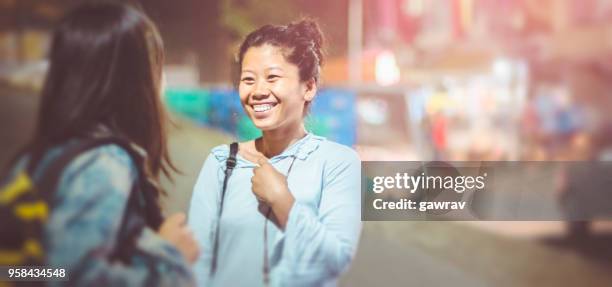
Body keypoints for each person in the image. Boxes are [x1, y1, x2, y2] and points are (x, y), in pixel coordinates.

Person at [1, 2, 198, 286]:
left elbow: (17, 271)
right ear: (135, 80)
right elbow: (74, 277)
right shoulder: (104, 164)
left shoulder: (38, 158)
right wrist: (170, 258)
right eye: (156, 66)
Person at [188, 19, 362, 287]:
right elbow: (197, 263)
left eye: (272, 77)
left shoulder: (337, 163)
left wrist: (283, 200)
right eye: (248, 79)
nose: (258, 91)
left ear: (309, 87)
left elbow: (335, 261)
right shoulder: (222, 162)